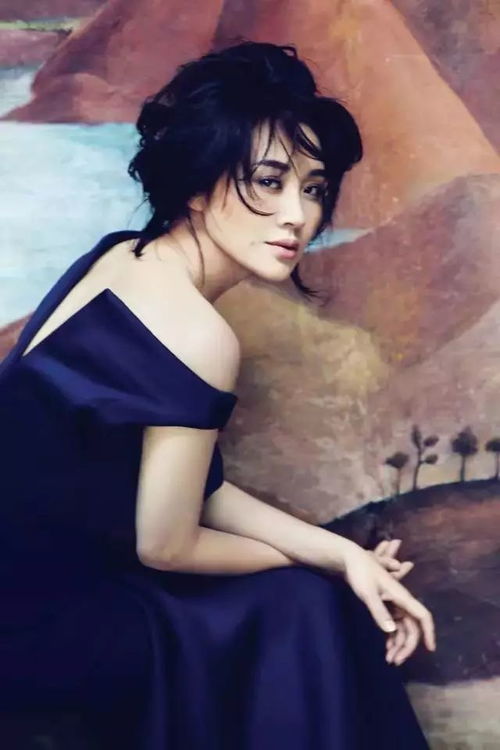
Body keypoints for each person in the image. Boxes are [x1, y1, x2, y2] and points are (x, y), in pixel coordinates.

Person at [0, 41, 435, 749]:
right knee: (303, 608)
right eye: (269, 181)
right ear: (197, 185)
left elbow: (190, 488)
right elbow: (167, 545)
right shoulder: (197, 335)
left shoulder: (121, 255)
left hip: (34, 587)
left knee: (306, 601)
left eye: (314, 188)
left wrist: (341, 554)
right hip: (37, 623)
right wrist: (319, 562)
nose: (298, 216)